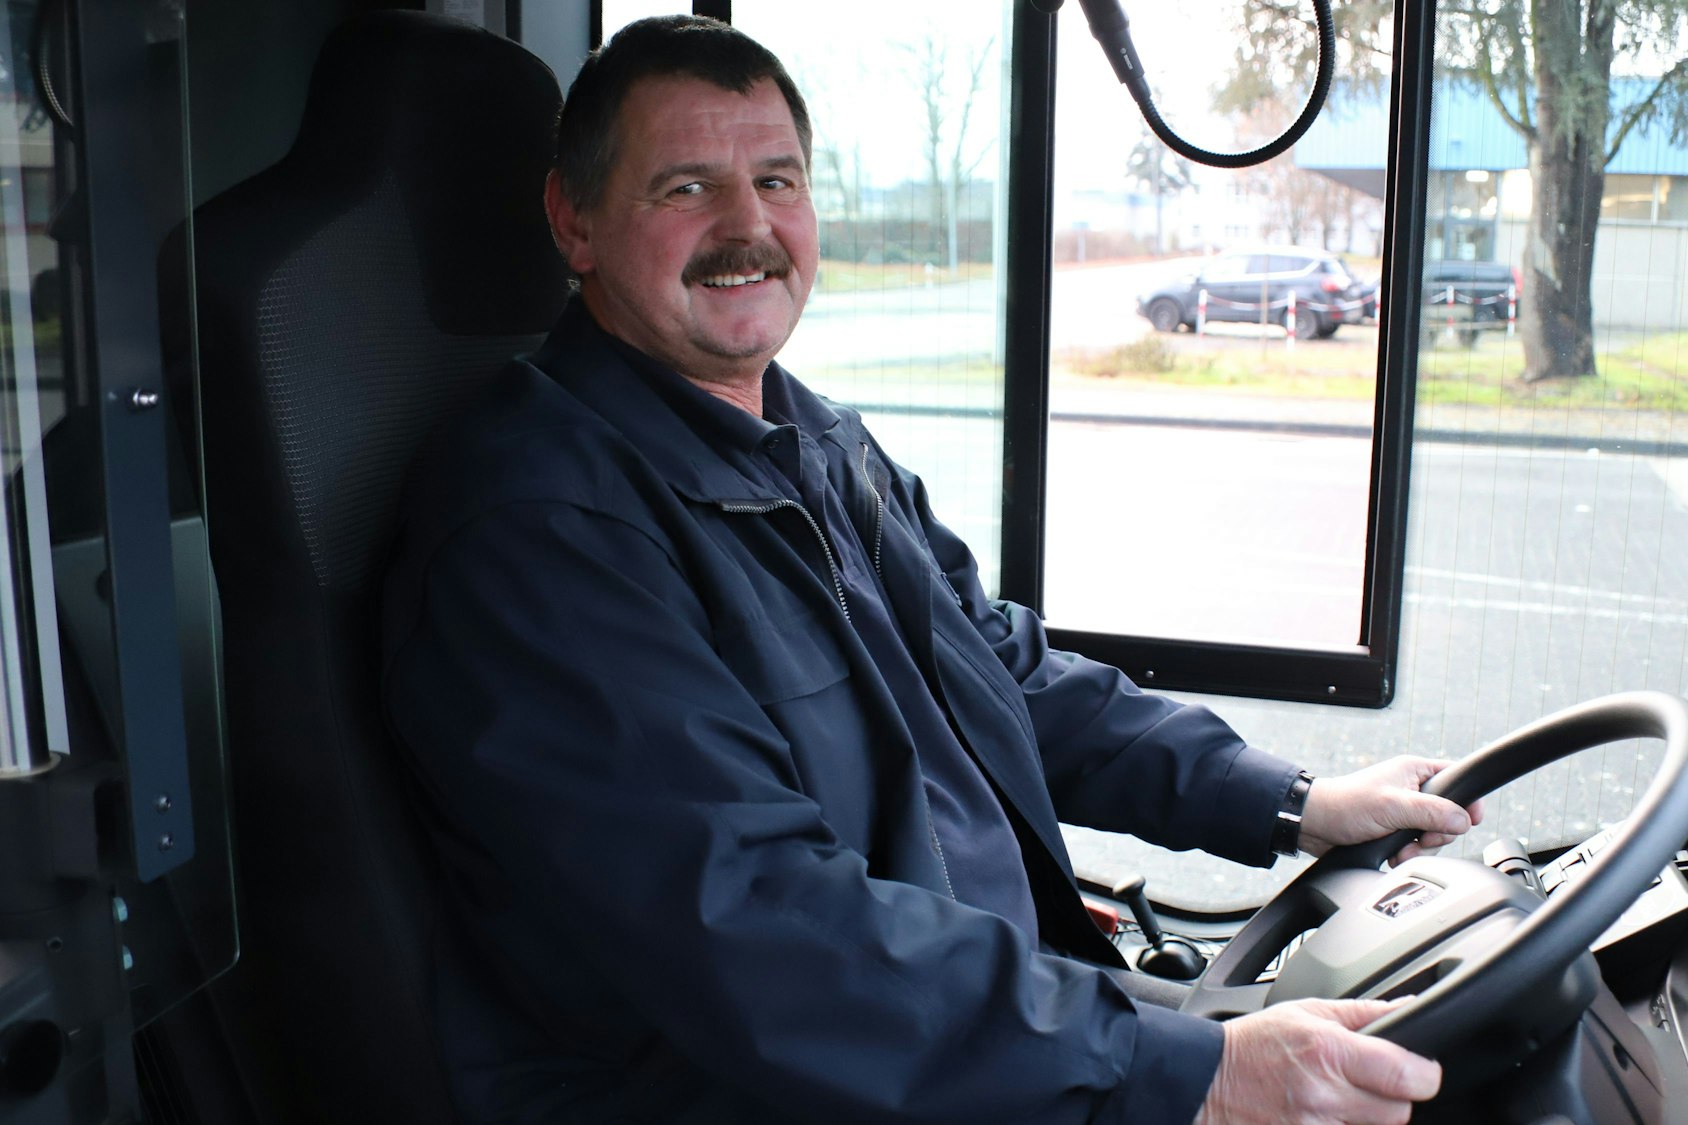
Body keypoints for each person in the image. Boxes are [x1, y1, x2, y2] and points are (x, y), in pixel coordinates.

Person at [380, 15, 1482, 1124]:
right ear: (574, 222)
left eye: (777, 180)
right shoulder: (543, 532)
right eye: (684, 189)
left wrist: (1291, 802)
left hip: (981, 1033)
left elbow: (1009, 680)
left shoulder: (816, 446)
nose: (746, 227)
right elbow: (759, 928)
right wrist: (1184, 1073)